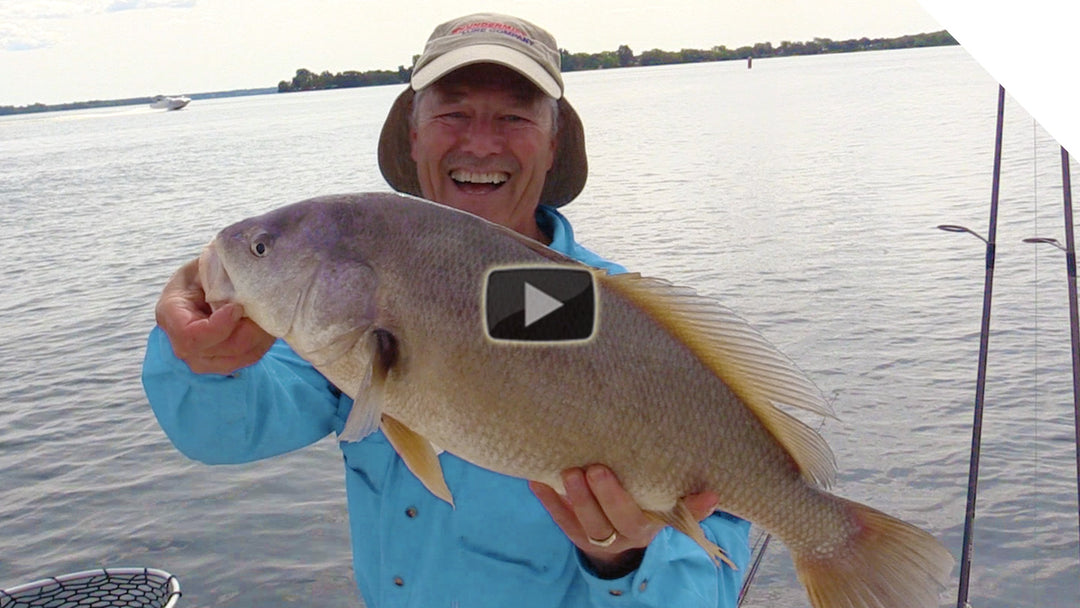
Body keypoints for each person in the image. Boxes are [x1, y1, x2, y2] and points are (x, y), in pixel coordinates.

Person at [143, 12, 750, 607]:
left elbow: (711, 592)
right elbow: (224, 432)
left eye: (514, 116)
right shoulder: (351, 307)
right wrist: (200, 350)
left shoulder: (608, 313)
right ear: (414, 132)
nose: (481, 143)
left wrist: (624, 559)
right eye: (452, 112)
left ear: (553, 140)